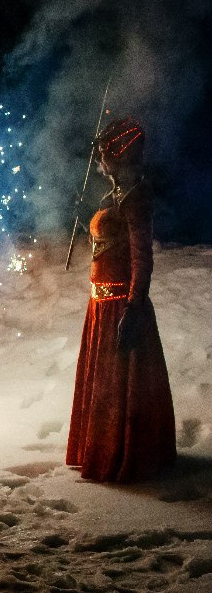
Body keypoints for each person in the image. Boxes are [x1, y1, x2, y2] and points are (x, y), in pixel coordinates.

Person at [65, 117, 176, 482]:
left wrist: (133, 307)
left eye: (104, 155)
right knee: (104, 387)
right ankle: (101, 449)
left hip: (119, 308)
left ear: (120, 158)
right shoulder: (113, 197)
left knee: (120, 390)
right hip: (99, 307)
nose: (99, 162)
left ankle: (123, 455)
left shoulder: (136, 199)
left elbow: (142, 260)